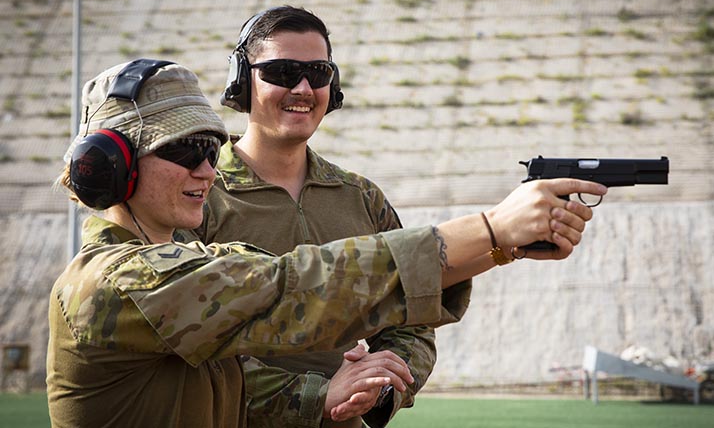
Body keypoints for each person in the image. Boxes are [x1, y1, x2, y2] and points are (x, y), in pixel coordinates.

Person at [46, 59, 605, 428]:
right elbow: (294, 286)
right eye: (184, 151)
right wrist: (490, 229)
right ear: (111, 167)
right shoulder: (121, 280)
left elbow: (240, 381)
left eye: (210, 149)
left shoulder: (185, 265)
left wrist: (335, 394)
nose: (207, 170)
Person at [199, 6, 600, 428]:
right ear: (242, 80)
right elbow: (186, 347)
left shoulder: (360, 196)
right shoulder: (200, 193)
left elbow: (412, 318)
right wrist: (316, 395)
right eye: (281, 72)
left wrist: (383, 383)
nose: (302, 88)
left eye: (318, 73)